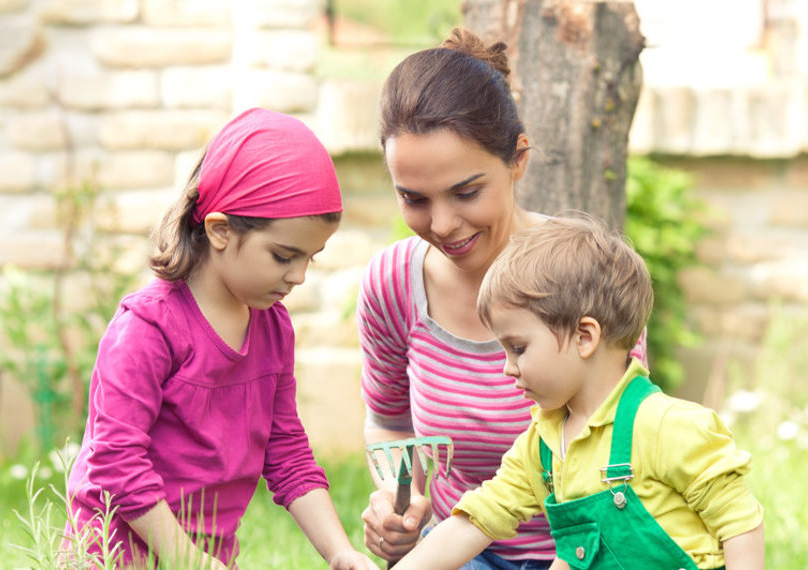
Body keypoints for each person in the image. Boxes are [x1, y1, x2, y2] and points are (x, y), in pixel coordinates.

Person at [359, 28, 649, 569]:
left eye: (467, 192)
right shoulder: (392, 285)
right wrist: (402, 504)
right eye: (414, 198)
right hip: (461, 550)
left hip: (588, 550)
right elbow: (390, 420)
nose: (442, 225)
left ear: (518, 159)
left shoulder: (585, 275)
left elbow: (627, 456)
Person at [65, 108, 376, 570]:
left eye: (311, 257)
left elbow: (286, 452)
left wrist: (340, 552)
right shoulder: (147, 328)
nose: (299, 276)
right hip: (119, 556)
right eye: (283, 256)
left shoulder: (272, 327)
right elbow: (115, 464)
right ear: (220, 230)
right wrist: (186, 559)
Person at [396, 215, 766, 570]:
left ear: (585, 337)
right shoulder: (542, 445)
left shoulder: (667, 426)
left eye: (518, 348)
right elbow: (476, 522)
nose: (507, 366)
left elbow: (739, 522)